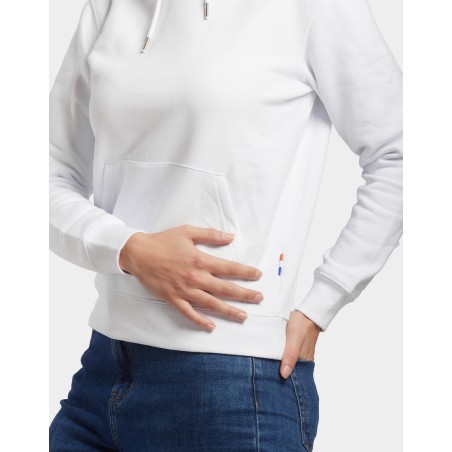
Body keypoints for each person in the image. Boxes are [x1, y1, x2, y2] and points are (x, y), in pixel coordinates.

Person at [49, 0, 402, 450]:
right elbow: (47, 173)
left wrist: (324, 301)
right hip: (102, 373)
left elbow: (401, 153)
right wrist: (127, 248)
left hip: (235, 382)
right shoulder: (110, 6)